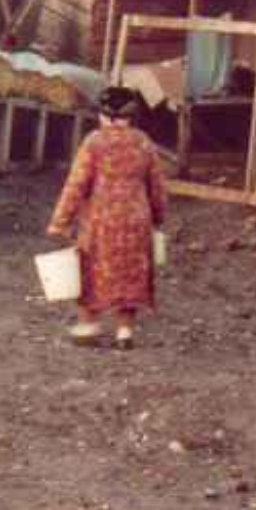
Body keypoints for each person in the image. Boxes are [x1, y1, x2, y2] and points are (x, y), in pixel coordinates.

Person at [47, 85, 167, 349]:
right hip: (136, 218)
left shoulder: (94, 143)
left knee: (91, 269)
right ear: (130, 116)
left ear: (104, 115)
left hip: (101, 220)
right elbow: (157, 185)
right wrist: (158, 217)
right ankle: (125, 331)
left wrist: (60, 221)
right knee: (130, 273)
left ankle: (88, 325)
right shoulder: (143, 142)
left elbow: (76, 184)